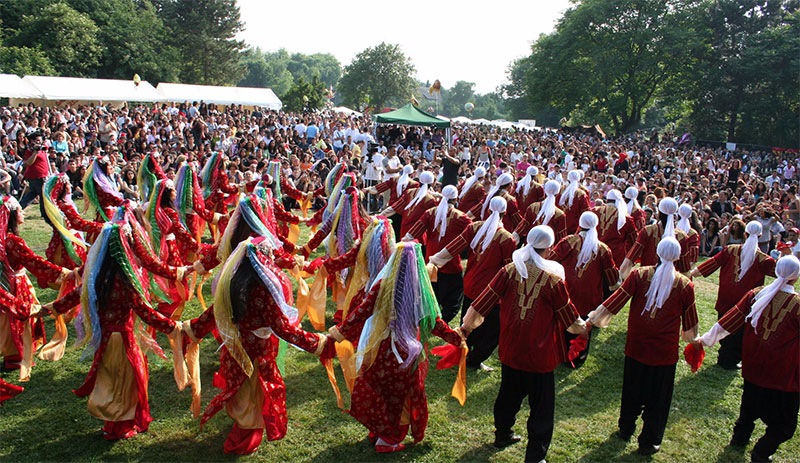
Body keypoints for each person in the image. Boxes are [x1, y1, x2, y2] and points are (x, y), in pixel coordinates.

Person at [38, 207, 189, 440]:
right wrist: (175, 328)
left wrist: (52, 308)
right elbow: (144, 311)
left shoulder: (98, 276)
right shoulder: (125, 280)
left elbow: (77, 294)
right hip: (125, 340)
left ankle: (112, 422)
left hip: (106, 338)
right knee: (126, 382)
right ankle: (120, 425)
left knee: (111, 378)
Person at [184, 238, 330, 454]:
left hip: (235, 350)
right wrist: (319, 343)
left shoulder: (231, 284)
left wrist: (187, 331)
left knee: (241, 392)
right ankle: (244, 438)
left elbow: (211, 316)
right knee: (253, 395)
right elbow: (283, 328)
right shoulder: (264, 288)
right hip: (258, 353)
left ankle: (243, 428)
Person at [460, 226, 586, 463]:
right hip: (540, 353)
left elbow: (482, 303)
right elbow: (569, 319)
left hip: (511, 347)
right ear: (548, 248)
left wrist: (466, 327)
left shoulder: (509, 270)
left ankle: (503, 434)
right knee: (542, 406)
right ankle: (535, 456)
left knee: (508, 393)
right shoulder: (552, 280)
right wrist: (584, 327)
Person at [325, 242, 466, 453]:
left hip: (381, 349)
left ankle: (379, 431)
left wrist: (336, 334)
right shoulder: (419, 291)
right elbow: (434, 323)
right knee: (401, 397)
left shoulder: (382, 285)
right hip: (407, 354)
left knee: (380, 390)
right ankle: (389, 440)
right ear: (417, 264)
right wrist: (457, 339)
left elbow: (359, 314)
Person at [587, 237, 699, 456]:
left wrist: (593, 319)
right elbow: (690, 324)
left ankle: (626, 428)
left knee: (632, 389)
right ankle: (649, 440)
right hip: (663, 352)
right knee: (658, 397)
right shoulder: (685, 285)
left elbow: (617, 300)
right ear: (677, 256)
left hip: (637, 345)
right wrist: (695, 340)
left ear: (657, 252)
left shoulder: (639, 275)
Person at [693, 255, 799, 463]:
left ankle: (739, 439)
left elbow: (729, 320)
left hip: (753, 365)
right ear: (795, 278)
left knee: (749, 407)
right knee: (785, 426)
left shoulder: (756, 295)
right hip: (781, 372)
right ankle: (761, 451)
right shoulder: (795, 304)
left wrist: (704, 340)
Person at [430, 196, 516, 370]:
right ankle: (474, 359)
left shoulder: (474, 227)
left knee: (468, 323)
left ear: (488, 209)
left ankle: (465, 352)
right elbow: (508, 269)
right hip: (491, 292)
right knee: (491, 330)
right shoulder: (506, 239)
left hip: (470, 285)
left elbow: (452, 248)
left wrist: (433, 261)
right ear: (505, 212)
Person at [690, 221, 776, 370]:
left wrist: (689, 275)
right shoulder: (764, 260)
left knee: (724, 326)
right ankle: (730, 359)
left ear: (745, 234)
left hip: (725, 298)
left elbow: (710, 265)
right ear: (761, 236)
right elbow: (781, 273)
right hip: (746, 303)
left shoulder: (730, 250)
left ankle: (724, 356)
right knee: (739, 333)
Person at [549, 211, 619, 367]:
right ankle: (577, 357)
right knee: (583, 325)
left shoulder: (568, 242)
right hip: (590, 296)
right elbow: (612, 276)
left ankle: (560, 354)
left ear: (580, 224)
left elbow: (550, 261)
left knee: (563, 322)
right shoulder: (602, 249)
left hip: (566, 292)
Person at [404, 185, 472, 322]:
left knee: (433, 293)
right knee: (453, 299)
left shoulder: (430, 213)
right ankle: (441, 322)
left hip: (430, 261)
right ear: (456, 198)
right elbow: (474, 235)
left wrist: (400, 244)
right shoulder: (461, 217)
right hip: (450, 263)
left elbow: (412, 233)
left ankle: (432, 320)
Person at [513, 179, 568, 244]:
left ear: (545, 190)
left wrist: (513, 238)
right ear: (558, 193)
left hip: (530, 244)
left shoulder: (532, 207)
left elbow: (523, 226)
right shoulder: (560, 214)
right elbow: (560, 237)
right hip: (547, 250)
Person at [595, 189, 637, 266]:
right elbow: (634, 239)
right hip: (615, 254)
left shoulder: (594, 211)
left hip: (595, 251)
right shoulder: (625, 218)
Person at [19, 132, 50, 219]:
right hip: (36, 176)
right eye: (37, 140)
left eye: (40, 140)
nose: (39, 142)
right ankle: (44, 214)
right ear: (32, 141)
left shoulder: (41, 148)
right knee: (42, 195)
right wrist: (35, 152)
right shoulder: (29, 150)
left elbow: (46, 147)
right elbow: (29, 162)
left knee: (33, 194)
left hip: (43, 175)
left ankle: (18, 208)